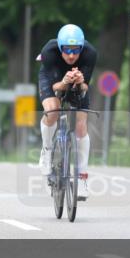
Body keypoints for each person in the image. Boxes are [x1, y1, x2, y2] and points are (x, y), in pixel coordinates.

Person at [37, 24, 97, 200]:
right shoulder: (49, 51)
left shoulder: (90, 53)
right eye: (67, 50)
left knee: (81, 127)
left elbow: (85, 87)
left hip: (76, 82)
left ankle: (82, 178)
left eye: (76, 50)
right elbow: (55, 87)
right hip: (53, 79)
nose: (71, 55)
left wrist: (80, 82)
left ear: (82, 48)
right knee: (52, 111)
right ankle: (47, 150)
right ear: (60, 47)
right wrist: (64, 82)